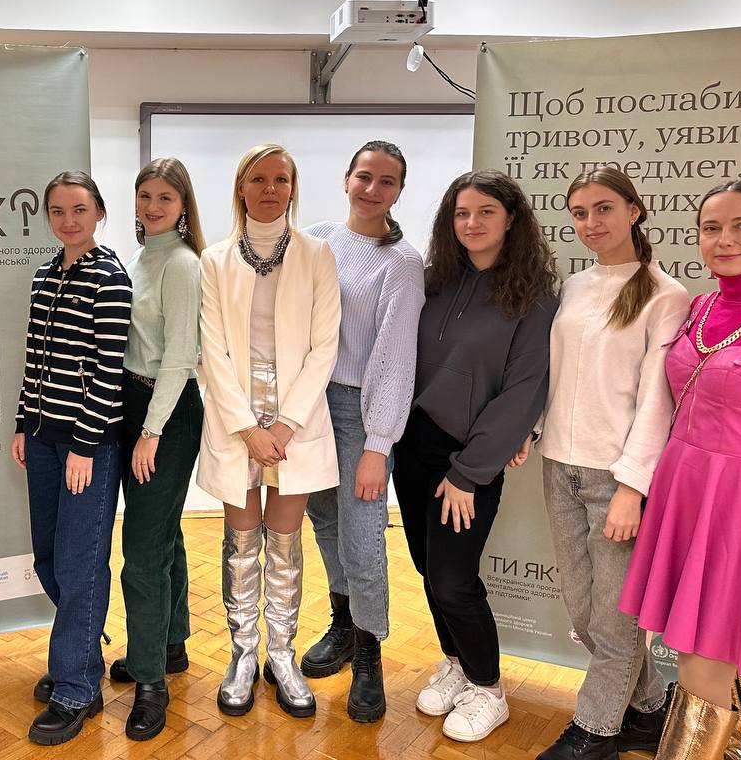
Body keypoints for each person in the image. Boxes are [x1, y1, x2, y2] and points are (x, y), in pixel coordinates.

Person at [525, 168, 689, 760]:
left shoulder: (666, 295)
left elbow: (657, 401)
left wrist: (631, 488)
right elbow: (557, 374)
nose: (590, 223)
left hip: (614, 477)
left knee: (616, 619)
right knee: (584, 610)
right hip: (558, 467)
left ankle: (595, 731)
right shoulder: (574, 287)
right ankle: (647, 707)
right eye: (579, 212)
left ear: (634, 211)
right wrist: (532, 429)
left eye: (603, 209)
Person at [620, 177, 741, 760]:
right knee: (715, 646)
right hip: (684, 489)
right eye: (711, 228)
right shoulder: (699, 306)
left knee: (704, 657)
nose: (725, 239)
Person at [395, 169, 558, 742]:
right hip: (412, 446)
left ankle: (489, 689)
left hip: (467, 458)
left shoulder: (533, 297)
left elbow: (524, 392)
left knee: (454, 580)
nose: (472, 223)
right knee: (426, 569)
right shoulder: (433, 282)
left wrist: (468, 473)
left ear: (511, 218)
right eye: (462, 213)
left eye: (486, 211)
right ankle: (457, 664)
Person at [196, 143, 341, 719]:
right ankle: (242, 653)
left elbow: (325, 346)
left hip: (295, 417)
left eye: (281, 179)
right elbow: (212, 350)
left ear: (292, 187)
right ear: (241, 187)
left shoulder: (317, 254)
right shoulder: (215, 259)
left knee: (284, 541)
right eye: (259, 179)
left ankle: (281, 653)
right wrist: (246, 427)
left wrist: (284, 423)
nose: (271, 189)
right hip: (235, 413)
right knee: (241, 543)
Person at [301, 140, 425, 723]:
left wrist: (378, 444)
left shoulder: (401, 262)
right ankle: (344, 624)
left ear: (399, 192)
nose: (373, 189)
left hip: (358, 409)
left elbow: (397, 358)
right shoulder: (317, 239)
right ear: (346, 179)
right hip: (309, 404)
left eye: (387, 181)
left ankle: (370, 652)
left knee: (363, 534)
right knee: (325, 520)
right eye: (365, 177)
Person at [11, 171, 131, 746]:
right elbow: (33, 357)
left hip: (88, 445)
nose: (68, 220)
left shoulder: (111, 278)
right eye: (57, 211)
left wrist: (84, 444)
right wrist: (22, 422)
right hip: (40, 438)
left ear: (99, 212)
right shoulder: (43, 275)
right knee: (49, 558)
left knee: (80, 564)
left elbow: (109, 371)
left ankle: (77, 686)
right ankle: (80, 651)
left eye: (79, 209)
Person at [108, 158, 205, 741]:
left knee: (142, 551)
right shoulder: (140, 256)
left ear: (183, 205)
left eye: (165, 197)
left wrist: (151, 432)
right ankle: (168, 645)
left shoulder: (183, 264)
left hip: (164, 410)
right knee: (162, 531)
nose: (152, 206)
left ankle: (150, 683)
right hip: (130, 400)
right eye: (145, 195)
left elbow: (180, 356)